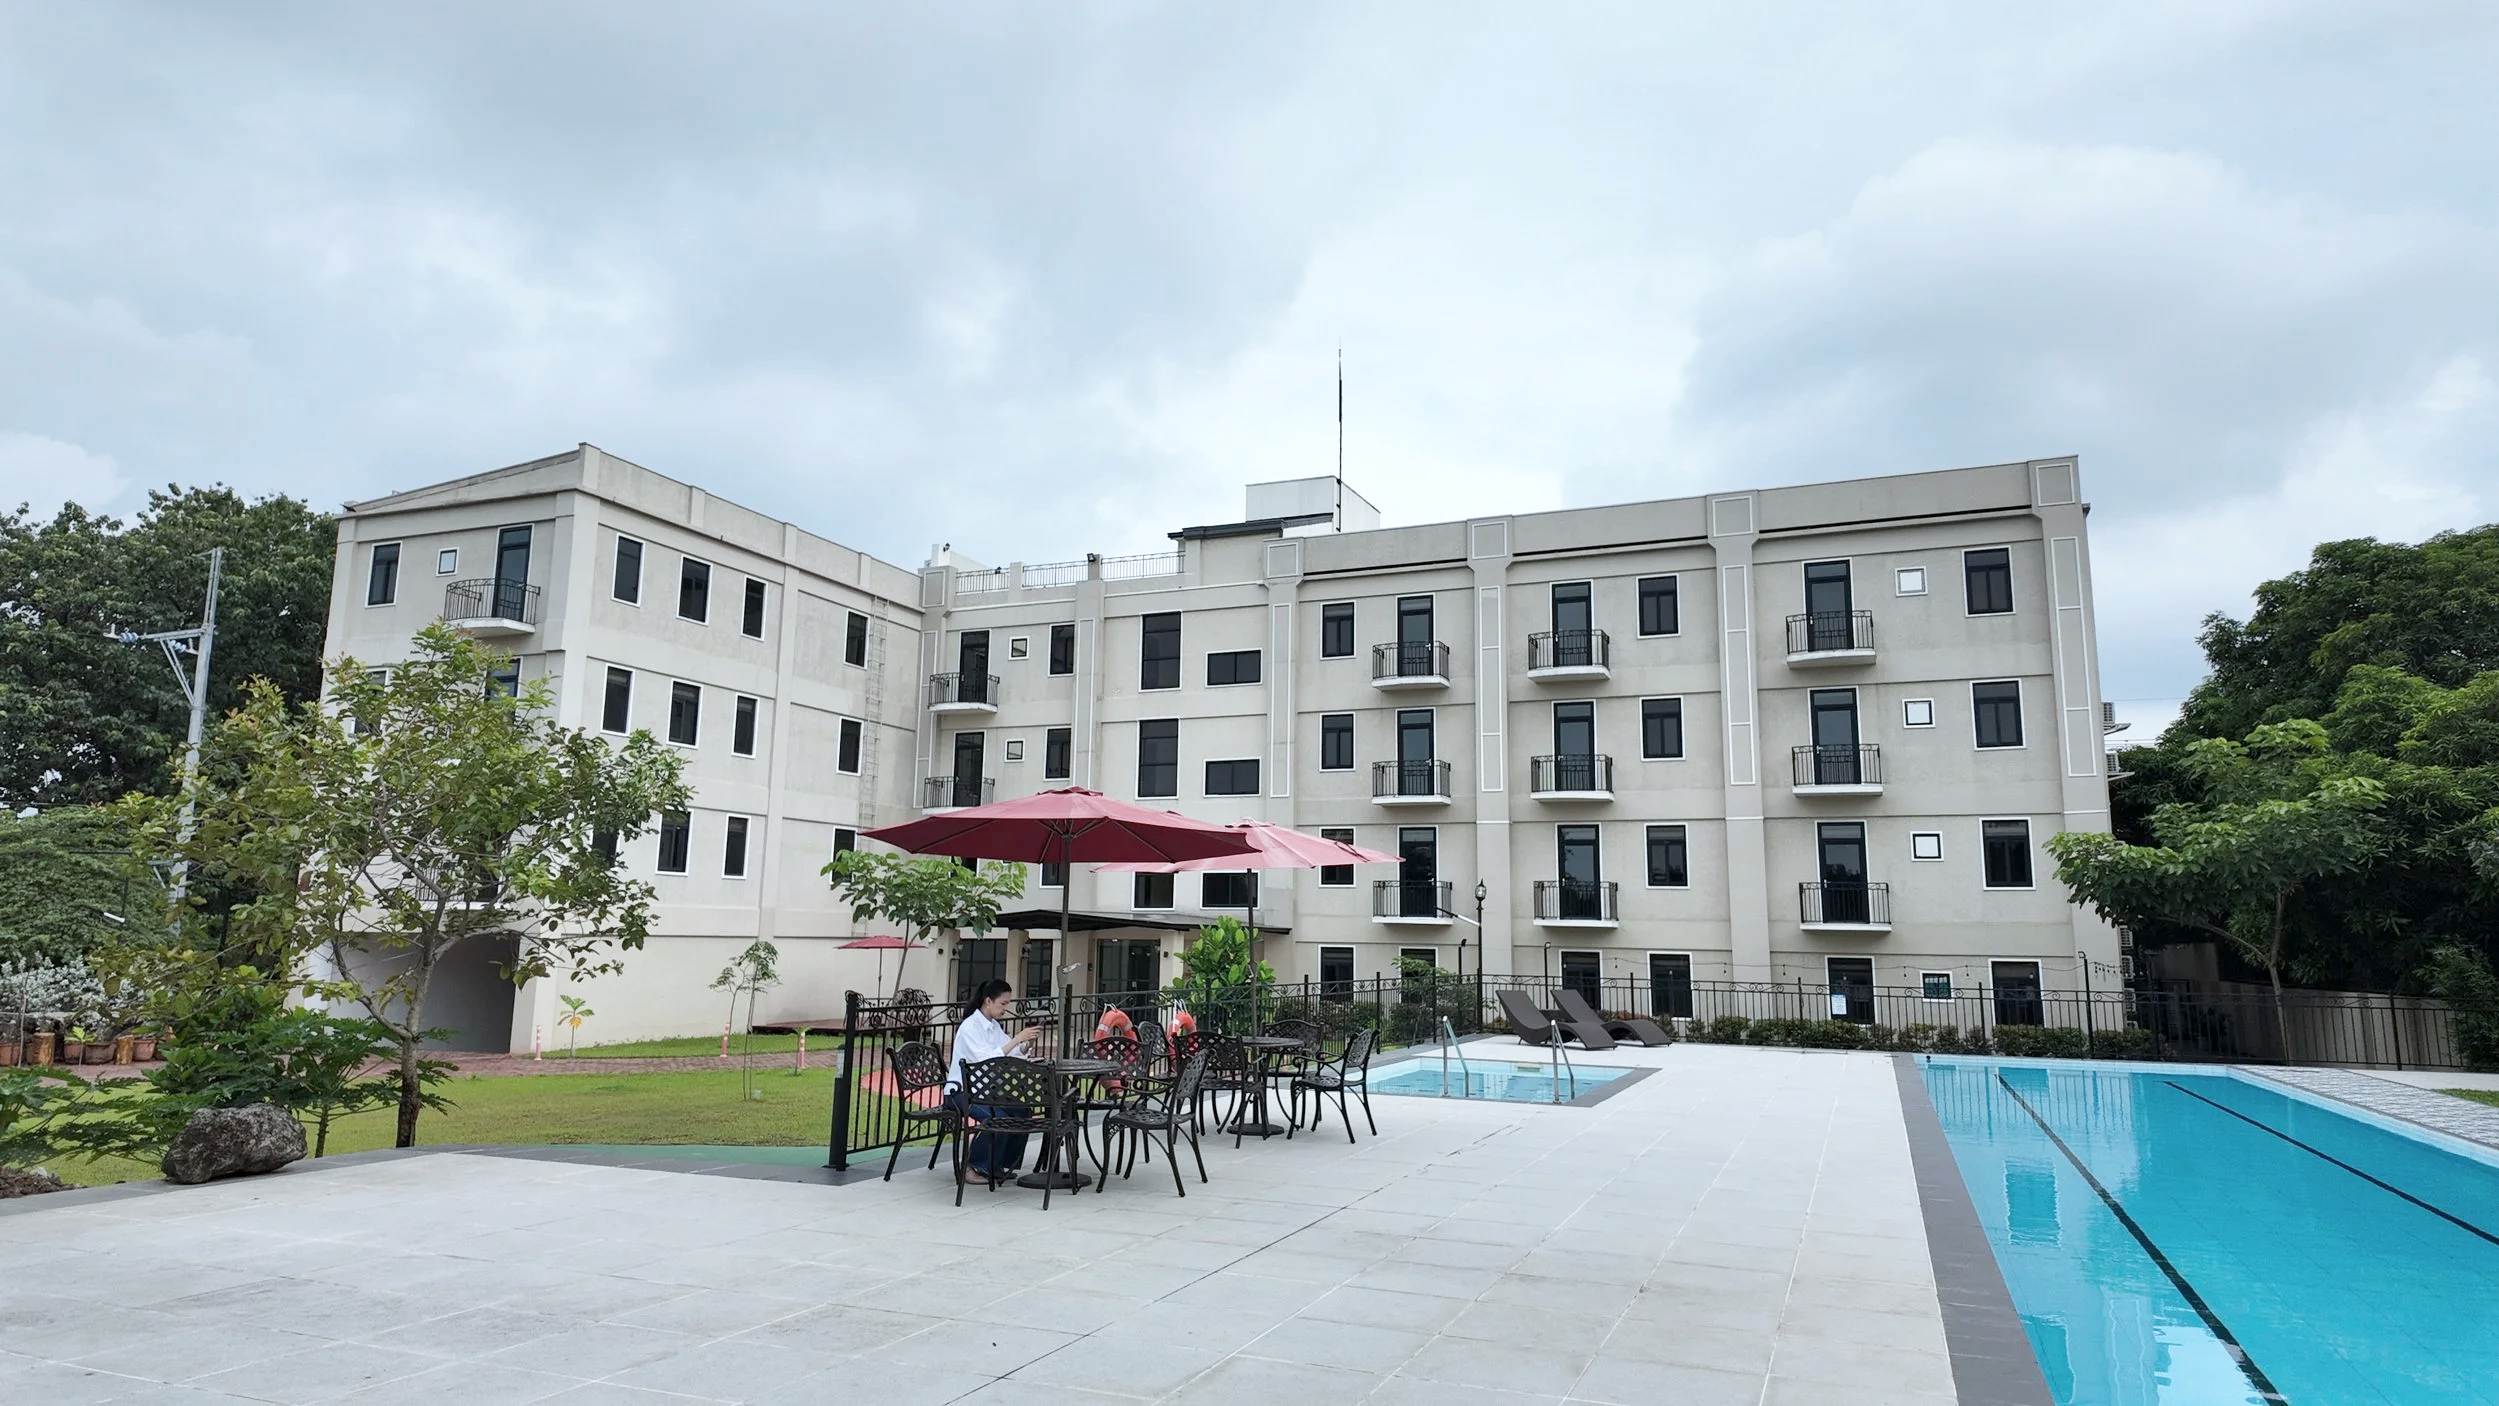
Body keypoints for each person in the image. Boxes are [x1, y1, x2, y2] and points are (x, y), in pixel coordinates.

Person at [945, 979, 1045, 1185]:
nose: (1006, 1009)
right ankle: (973, 1166)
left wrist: (1025, 1044)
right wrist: (1017, 1039)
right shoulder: (970, 1027)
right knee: (997, 1118)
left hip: (984, 1092)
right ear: (988, 1001)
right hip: (960, 1092)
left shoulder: (993, 1027)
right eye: (1003, 1004)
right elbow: (986, 1060)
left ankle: (998, 1165)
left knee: (1022, 1112)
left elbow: (1010, 1051)